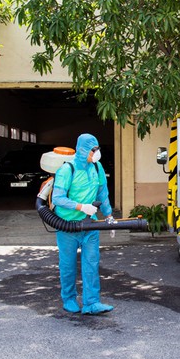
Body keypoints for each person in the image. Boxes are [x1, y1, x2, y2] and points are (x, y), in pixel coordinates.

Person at [51, 134, 115, 315]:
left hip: (90, 226)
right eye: (93, 150)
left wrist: (109, 215)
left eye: (97, 149)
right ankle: (69, 299)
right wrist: (81, 207)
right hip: (67, 226)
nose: (97, 153)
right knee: (68, 264)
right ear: (82, 150)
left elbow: (103, 191)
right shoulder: (67, 170)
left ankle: (91, 303)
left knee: (91, 263)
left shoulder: (97, 166)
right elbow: (57, 198)